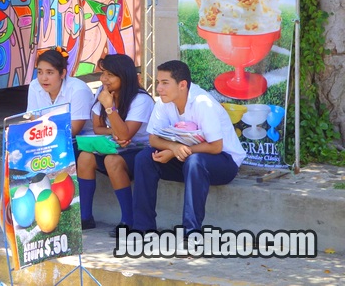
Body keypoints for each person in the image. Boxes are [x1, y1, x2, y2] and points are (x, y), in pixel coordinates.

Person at [131, 60, 246, 236]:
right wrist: (172, 147)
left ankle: (191, 231)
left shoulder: (202, 102)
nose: (159, 88)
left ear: (182, 85)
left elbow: (216, 147)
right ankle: (143, 227)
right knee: (144, 158)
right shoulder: (164, 101)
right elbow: (153, 139)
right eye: (158, 83)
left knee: (195, 162)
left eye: (164, 83)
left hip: (223, 162)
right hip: (185, 158)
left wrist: (178, 150)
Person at [76, 54, 154, 235]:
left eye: (110, 75)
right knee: (85, 157)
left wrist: (110, 108)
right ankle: (85, 217)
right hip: (115, 146)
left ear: (124, 76)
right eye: (103, 73)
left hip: (141, 152)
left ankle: (128, 220)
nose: (104, 79)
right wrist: (115, 131)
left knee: (112, 160)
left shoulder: (141, 99)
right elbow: (97, 128)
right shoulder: (102, 93)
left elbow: (126, 135)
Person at [26, 47, 93, 136]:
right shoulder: (34, 86)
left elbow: (73, 130)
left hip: (80, 141)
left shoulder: (79, 90)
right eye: (40, 72)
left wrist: (43, 132)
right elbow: (34, 119)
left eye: (50, 73)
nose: (43, 78)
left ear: (63, 73)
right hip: (46, 139)